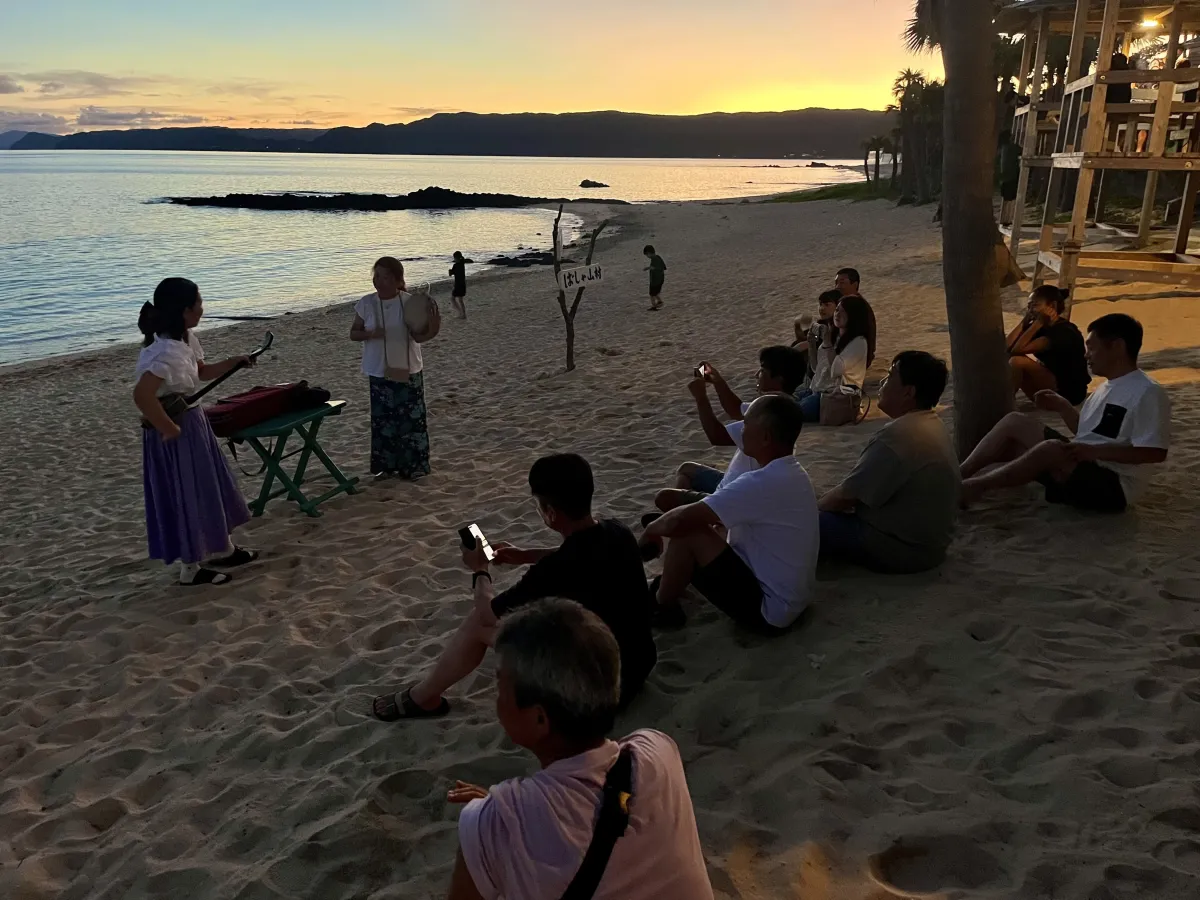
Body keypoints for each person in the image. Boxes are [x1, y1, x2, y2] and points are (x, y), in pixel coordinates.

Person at [445, 599, 714, 900]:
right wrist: (511, 815)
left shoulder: (489, 826)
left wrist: (498, 819)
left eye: (500, 686)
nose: (496, 699)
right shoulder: (658, 751)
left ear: (539, 719)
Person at [372, 454, 656, 721]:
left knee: (478, 624)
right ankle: (425, 696)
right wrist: (524, 555)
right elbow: (577, 556)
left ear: (550, 513)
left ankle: (423, 698)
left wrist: (480, 570)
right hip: (638, 666)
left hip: (597, 693)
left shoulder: (553, 570)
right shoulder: (617, 531)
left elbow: (487, 614)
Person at [961, 314, 1170, 513]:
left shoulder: (1147, 391)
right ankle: (959, 474)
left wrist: (1095, 452)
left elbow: (1154, 452)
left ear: (1117, 347)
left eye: (1091, 348)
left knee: (1050, 449)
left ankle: (973, 488)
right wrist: (1063, 407)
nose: (1086, 355)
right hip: (1083, 465)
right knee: (1015, 422)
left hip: (1114, 485)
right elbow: (1086, 433)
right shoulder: (1106, 387)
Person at [645, 394, 818, 632]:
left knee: (687, 531)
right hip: (791, 599)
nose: (741, 429)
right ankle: (669, 585)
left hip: (771, 612)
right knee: (707, 528)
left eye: (746, 424)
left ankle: (661, 607)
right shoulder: (791, 473)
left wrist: (650, 531)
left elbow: (680, 519)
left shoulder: (762, 482)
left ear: (765, 437)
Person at [133, 277, 258, 586]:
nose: (203, 308)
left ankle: (224, 547)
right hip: (176, 429)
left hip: (193, 422)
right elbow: (142, 395)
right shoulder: (165, 353)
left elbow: (201, 372)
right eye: (199, 303)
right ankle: (190, 569)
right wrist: (168, 428)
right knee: (187, 493)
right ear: (185, 310)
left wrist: (233, 362)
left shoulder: (185, 339)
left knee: (208, 487)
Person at [818, 351, 960, 573]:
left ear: (908, 392)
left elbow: (846, 496)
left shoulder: (899, 435)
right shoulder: (931, 423)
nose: (882, 382)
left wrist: (813, 511)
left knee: (803, 522)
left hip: (902, 550)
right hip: (930, 547)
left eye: (890, 376)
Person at [659, 346, 807, 511]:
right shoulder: (782, 405)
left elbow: (717, 436)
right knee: (687, 469)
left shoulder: (772, 412)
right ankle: (683, 514)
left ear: (778, 379)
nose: (756, 375)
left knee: (665, 497)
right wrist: (717, 381)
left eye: (762, 371)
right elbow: (736, 409)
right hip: (731, 482)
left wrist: (701, 398)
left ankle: (683, 516)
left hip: (735, 492)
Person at [350, 256, 435, 480]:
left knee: (410, 420)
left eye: (386, 277)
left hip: (407, 368)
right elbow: (353, 333)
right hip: (378, 370)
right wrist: (371, 334)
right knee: (383, 421)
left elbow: (420, 336)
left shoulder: (409, 302)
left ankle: (414, 467)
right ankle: (386, 467)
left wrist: (432, 323)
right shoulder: (366, 303)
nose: (379, 281)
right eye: (377, 275)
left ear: (398, 280)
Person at [1006, 285, 1090, 405]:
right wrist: (1024, 323)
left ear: (1052, 306)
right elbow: (1007, 347)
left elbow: (1017, 350)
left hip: (1069, 392)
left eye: (1035, 305)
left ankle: (1006, 403)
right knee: (1009, 357)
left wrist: (1037, 323)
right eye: (1029, 306)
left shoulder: (1063, 331)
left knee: (1017, 361)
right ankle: (1006, 401)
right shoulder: (1041, 326)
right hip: (1049, 385)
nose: (1030, 310)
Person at [796, 294, 873, 423]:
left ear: (854, 316)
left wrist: (827, 341)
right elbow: (816, 368)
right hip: (816, 390)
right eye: (837, 310)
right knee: (779, 401)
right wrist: (811, 344)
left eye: (844, 312)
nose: (837, 314)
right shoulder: (835, 336)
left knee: (785, 412)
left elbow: (835, 370)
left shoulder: (859, 342)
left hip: (834, 398)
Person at [792, 290, 841, 385]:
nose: (822, 308)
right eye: (820, 304)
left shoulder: (837, 326)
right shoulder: (824, 323)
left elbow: (820, 342)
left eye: (827, 305)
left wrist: (795, 349)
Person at [833, 267, 878, 367]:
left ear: (855, 284)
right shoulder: (842, 304)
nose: (837, 287)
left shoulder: (859, 307)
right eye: (836, 283)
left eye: (842, 283)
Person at [644, 244, 667, 311]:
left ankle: (654, 306)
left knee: (652, 294)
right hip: (660, 279)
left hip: (655, 281)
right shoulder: (658, 257)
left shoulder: (654, 259)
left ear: (649, 253)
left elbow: (656, 268)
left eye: (646, 255)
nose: (647, 256)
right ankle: (660, 301)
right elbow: (663, 267)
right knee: (656, 293)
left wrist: (650, 268)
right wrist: (649, 268)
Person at [448, 251, 468, 320]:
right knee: (460, 300)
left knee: (453, 298)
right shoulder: (462, 264)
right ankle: (463, 314)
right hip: (462, 284)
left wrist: (450, 271)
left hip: (458, 284)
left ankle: (460, 312)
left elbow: (451, 274)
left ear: (456, 258)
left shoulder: (456, 265)